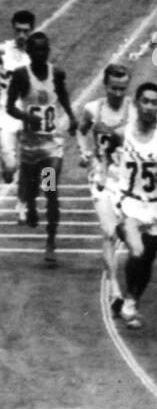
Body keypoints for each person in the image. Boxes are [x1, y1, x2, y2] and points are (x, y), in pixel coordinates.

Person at [114, 83, 157, 330]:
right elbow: (105, 153)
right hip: (129, 202)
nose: (149, 106)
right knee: (137, 251)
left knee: (147, 260)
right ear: (136, 103)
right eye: (145, 101)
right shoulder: (123, 133)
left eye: (155, 102)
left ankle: (132, 300)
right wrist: (103, 172)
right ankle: (127, 297)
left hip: (155, 206)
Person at [5, 32, 75, 264]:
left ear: (48, 51)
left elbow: (63, 94)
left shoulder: (56, 73)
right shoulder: (21, 76)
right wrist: (26, 116)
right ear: (29, 53)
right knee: (31, 192)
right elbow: (9, 107)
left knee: (51, 192)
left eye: (44, 50)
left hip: (50, 148)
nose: (40, 54)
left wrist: (72, 116)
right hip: (29, 147)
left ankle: (50, 242)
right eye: (35, 51)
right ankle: (31, 205)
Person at [78, 63, 134, 304]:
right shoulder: (93, 109)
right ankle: (114, 289)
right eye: (113, 88)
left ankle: (127, 284)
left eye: (122, 88)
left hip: (127, 177)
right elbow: (81, 131)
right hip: (101, 177)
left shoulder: (133, 109)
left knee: (131, 233)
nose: (118, 93)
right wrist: (85, 153)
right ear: (105, 85)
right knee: (108, 232)